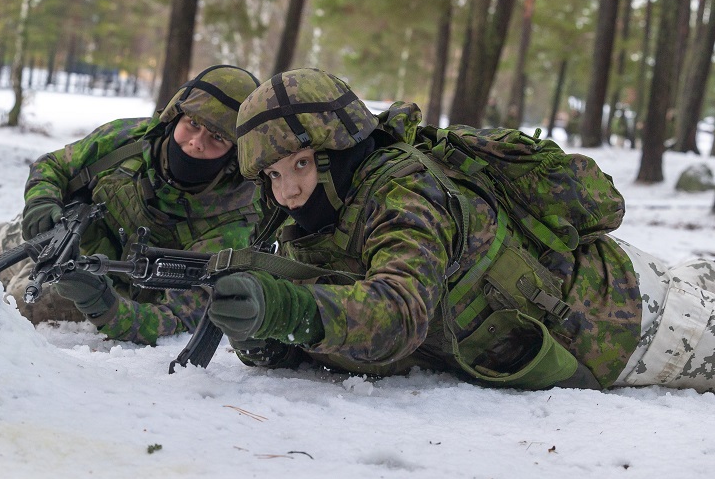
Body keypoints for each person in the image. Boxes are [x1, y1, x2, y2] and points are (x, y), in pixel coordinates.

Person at [203, 67, 715, 392]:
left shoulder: (406, 198)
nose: (287, 192)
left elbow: (400, 313)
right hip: (614, 283)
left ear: (341, 150)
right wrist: (254, 321)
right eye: (272, 175)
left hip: (628, 322)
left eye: (300, 165)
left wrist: (286, 307)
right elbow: (321, 336)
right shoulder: (323, 220)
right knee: (693, 276)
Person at [0, 64, 271, 345]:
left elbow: (178, 319)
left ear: (235, 156)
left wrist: (103, 305)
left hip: (93, 291)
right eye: (192, 124)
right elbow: (54, 165)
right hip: (49, 239)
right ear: (175, 116)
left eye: (217, 137)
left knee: (0, 311)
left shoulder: (231, 222)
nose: (196, 142)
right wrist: (41, 202)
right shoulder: (130, 138)